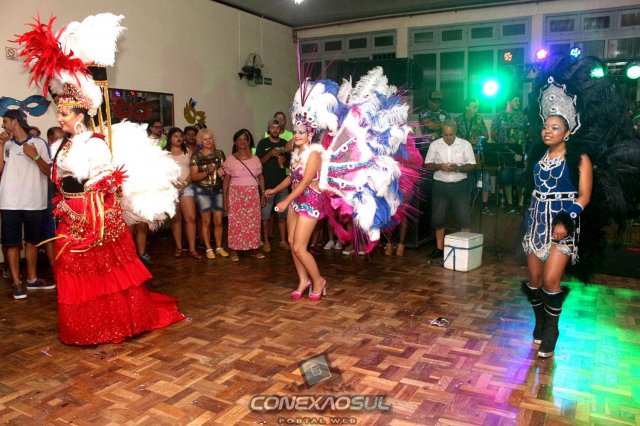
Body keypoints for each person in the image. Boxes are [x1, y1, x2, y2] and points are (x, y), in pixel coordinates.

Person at [14, 12, 184, 344]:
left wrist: (91, 213)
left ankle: (112, 325)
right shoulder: (61, 145)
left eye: (65, 113)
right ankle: (84, 328)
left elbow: (106, 181)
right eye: (59, 112)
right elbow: (59, 179)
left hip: (95, 221)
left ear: (80, 115)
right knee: (71, 271)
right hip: (71, 217)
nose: (60, 118)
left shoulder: (94, 143)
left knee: (103, 275)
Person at [265, 120, 326, 300]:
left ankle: (318, 281)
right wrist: (275, 190)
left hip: (310, 201)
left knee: (300, 247)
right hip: (297, 200)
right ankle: (303, 280)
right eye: (295, 132)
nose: (297, 135)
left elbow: (306, 181)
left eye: (301, 132)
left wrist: (285, 200)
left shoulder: (314, 154)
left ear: (310, 134)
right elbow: (292, 179)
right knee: (292, 242)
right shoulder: (296, 153)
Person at [0, 110, 54, 299]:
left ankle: (32, 279)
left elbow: (50, 172)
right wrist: (0, 145)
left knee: (32, 241)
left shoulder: (39, 143)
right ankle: (16, 283)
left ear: (15, 122)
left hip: (34, 201)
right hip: (9, 201)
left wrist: (35, 156)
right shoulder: (6, 144)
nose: (3, 125)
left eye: (5, 121)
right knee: (11, 242)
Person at [424, 120, 476, 261]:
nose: (448, 138)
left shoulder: (465, 144)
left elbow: (472, 165)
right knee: (438, 218)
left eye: (451, 135)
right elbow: (427, 164)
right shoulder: (435, 145)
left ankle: (465, 248)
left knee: (464, 217)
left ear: (455, 132)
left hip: (460, 185)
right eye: (445, 135)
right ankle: (439, 248)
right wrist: (440, 166)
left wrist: (457, 168)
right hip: (440, 185)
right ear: (442, 133)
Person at [223, 129, 265, 262]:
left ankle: (254, 248)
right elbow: (226, 180)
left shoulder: (255, 159)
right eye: (239, 140)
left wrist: (263, 194)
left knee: (253, 222)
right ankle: (234, 250)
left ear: (248, 141)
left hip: (253, 195)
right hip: (236, 195)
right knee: (235, 223)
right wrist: (225, 198)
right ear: (235, 142)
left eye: (245, 139)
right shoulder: (231, 159)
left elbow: (260, 177)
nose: (242, 142)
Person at [190, 128, 228, 259]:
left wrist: (222, 173)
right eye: (205, 139)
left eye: (210, 138)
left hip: (218, 190)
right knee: (206, 221)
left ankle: (219, 247)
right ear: (200, 141)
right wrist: (207, 171)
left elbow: (225, 171)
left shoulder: (219, 153)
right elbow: (194, 177)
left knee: (218, 221)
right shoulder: (196, 156)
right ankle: (208, 248)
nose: (208, 141)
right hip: (203, 191)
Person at [165, 127, 200, 259]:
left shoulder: (188, 152)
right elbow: (161, 173)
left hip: (187, 187)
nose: (179, 138)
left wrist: (184, 184)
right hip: (170, 189)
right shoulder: (164, 154)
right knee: (176, 219)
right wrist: (173, 185)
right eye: (175, 136)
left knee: (190, 218)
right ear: (170, 138)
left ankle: (192, 249)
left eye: (180, 136)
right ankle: (179, 248)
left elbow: (193, 172)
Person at [256, 119, 290, 253]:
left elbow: (290, 163)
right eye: (272, 127)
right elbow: (258, 163)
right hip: (267, 185)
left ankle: (283, 241)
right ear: (268, 129)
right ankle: (265, 242)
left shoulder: (284, 143)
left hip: (282, 185)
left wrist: (285, 160)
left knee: (283, 215)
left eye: (277, 127)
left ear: (280, 130)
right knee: (265, 216)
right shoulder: (263, 143)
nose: (275, 130)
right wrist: (270, 154)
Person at [491, 95, 529, 214]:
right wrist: (502, 144)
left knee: (519, 177)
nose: (518, 102)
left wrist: (523, 145)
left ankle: (520, 204)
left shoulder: (523, 116)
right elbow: (493, 132)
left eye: (519, 100)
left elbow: (528, 132)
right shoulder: (499, 116)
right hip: (505, 152)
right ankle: (509, 203)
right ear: (509, 101)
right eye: (516, 100)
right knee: (505, 177)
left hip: (519, 151)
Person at [455, 98, 492, 215]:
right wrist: (465, 141)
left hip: (478, 153)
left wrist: (479, 139)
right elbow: (454, 138)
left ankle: (485, 205)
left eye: (477, 107)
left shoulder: (479, 119)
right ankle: (467, 204)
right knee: (467, 178)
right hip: (463, 154)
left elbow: (486, 135)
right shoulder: (458, 120)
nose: (477, 109)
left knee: (485, 176)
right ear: (466, 107)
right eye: (474, 106)